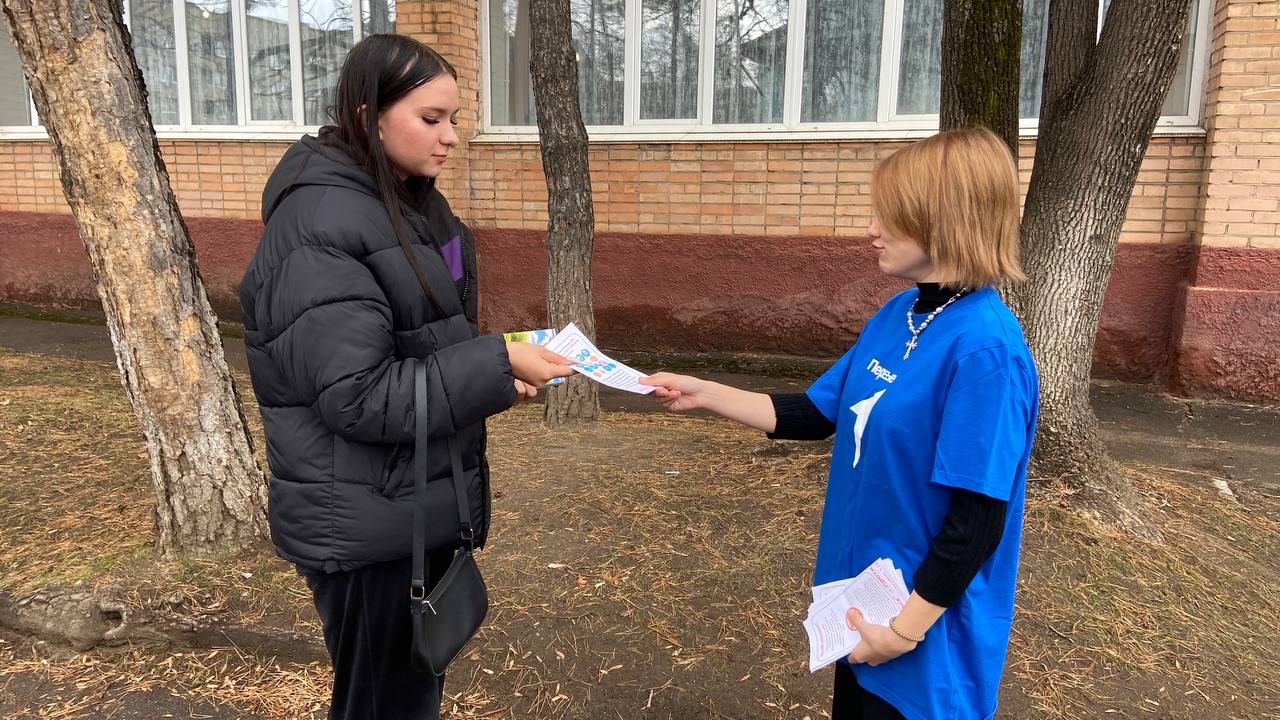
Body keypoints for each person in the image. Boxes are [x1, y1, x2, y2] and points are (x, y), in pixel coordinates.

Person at [642, 128, 1040, 720]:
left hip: (925, 634)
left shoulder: (987, 351)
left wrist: (903, 633)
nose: (870, 231)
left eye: (890, 216)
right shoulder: (898, 314)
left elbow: (978, 520)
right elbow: (817, 412)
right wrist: (707, 393)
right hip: (859, 606)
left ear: (944, 220)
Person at [238, 34, 574, 719]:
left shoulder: (422, 208)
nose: (452, 138)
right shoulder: (321, 224)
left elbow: (429, 341)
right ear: (369, 116)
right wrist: (493, 362)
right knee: (381, 704)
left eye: (455, 119)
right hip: (365, 528)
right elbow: (358, 395)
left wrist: (495, 370)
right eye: (432, 119)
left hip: (407, 508)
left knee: (407, 695)